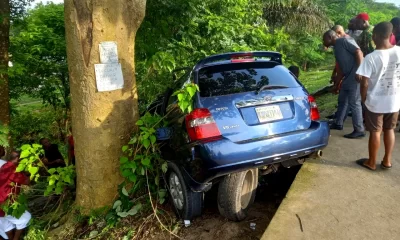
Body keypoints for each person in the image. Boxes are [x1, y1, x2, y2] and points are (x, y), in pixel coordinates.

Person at [355, 22, 400, 170]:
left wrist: (363, 99)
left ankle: (372, 162)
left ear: (375, 36)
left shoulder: (371, 57)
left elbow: (364, 83)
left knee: (375, 131)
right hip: (394, 101)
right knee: (389, 129)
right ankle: (387, 161)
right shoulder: (399, 52)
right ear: (391, 35)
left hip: (376, 102)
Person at [322, 30, 365, 139]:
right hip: (347, 77)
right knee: (342, 100)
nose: (323, 41)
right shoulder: (336, 48)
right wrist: (337, 82)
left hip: (355, 76)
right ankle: (338, 123)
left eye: (324, 39)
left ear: (330, 37)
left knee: (354, 102)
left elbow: (358, 52)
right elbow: (340, 68)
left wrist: (360, 71)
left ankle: (359, 129)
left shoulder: (344, 40)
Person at [0, 151, 31, 240]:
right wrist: (33, 170)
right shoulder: (11, 168)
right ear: (18, 159)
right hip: (6, 202)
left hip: (2, 200)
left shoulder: (5, 166)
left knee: (6, 227)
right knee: (26, 217)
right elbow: (26, 182)